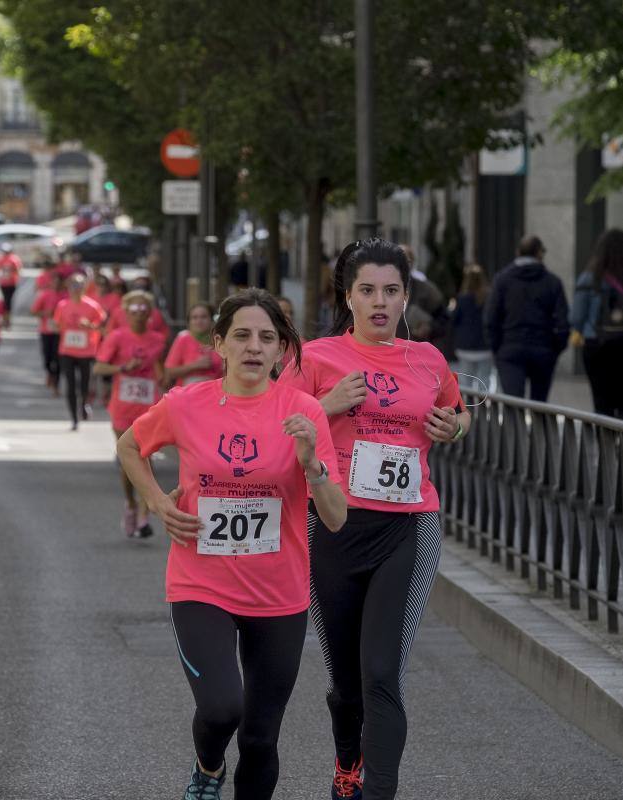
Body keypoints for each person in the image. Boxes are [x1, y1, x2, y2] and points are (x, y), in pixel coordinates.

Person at [116, 288, 346, 800]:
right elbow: (130, 445)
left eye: (268, 337)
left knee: (262, 739)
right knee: (222, 708)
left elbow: (334, 517)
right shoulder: (186, 404)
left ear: (282, 350)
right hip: (201, 583)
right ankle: (208, 766)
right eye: (241, 335)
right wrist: (157, 502)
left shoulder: (304, 411)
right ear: (218, 343)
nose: (254, 347)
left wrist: (313, 462)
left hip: (279, 593)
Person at [279, 238, 471, 800]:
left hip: (409, 526)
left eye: (391, 291)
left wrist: (453, 428)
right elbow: (277, 425)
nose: (380, 302)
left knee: (383, 672)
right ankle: (347, 764)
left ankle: (378, 790)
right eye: (368, 291)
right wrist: (326, 405)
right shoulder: (315, 358)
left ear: (406, 297)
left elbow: (459, 416)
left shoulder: (428, 359)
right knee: (346, 684)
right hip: (333, 523)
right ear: (349, 297)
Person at [94, 290, 167, 537]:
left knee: (148, 457)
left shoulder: (157, 339)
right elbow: (99, 366)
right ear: (125, 312)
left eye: (143, 309)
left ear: (150, 313)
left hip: (149, 405)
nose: (139, 314)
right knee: (128, 460)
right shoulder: (116, 337)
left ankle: (145, 515)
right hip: (122, 406)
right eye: (133, 310)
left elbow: (161, 369)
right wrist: (123, 367)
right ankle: (131, 503)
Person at [484, 235, 569, 402]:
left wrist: (497, 348)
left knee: (514, 406)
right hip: (543, 349)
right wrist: (555, 348)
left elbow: (490, 318)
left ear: (518, 252)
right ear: (540, 254)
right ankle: (538, 428)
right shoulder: (552, 282)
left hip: (510, 348)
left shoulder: (502, 280)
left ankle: (515, 430)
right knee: (540, 406)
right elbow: (563, 321)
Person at [570, 228, 623, 418]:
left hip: (597, 345)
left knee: (602, 403)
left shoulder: (589, 278)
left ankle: (605, 445)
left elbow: (576, 317)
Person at [54, 274, 105, 430]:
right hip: (67, 350)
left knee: (84, 384)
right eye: (73, 285)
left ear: (84, 287)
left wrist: (89, 325)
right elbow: (57, 325)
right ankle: (74, 419)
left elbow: (101, 327)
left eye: (79, 285)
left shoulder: (93, 306)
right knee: (70, 385)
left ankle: (83, 404)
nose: (76, 289)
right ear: (68, 288)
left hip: (87, 351)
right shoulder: (62, 305)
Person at [452, 264, 493, 394]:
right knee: (485, 380)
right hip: (485, 346)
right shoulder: (489, 298)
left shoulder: (462, 299)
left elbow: (454, 320)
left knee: (465, 381)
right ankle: (484, 410)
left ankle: (467, 410)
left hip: (465, 346)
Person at [164, 302, 223, 387]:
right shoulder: (183, 338)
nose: (199, 321)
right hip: (188, 394)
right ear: (189, 321)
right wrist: (195, 365)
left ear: (211, 319)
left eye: (204, 317)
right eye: (195, 318)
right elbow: (169, 372)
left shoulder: (219, 340)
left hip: (213, 393)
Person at [31, 274, 68, 395]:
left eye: (59, 283)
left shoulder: (66, 296)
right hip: (46, 331)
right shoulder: (45, 294)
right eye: (54, 282)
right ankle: (50, 374)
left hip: (60, 332)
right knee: (47, 358)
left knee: (57, 359)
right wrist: (45, 313)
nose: (56, 285)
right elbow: (33, 311)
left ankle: (56, 385)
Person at [0, 243, 23, 317]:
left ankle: (7, 316)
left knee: (8, 300)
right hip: (4, 282)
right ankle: (5, 316)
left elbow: (17, 270)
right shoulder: (1, 259)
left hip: (11, 282)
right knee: (6, 300)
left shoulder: (14, 259)